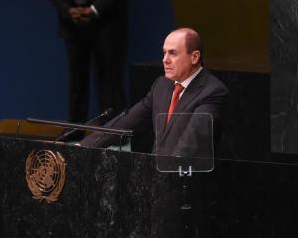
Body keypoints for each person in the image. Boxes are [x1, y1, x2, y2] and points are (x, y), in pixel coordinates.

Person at [80, 28, 228, 160]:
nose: (165, 60)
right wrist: (81, 147)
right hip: (156, 178)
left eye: (173, 53)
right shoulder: (162, 85)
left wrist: (161, 177)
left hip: (186, 180)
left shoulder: (212, 92)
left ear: (194, 57)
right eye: (164, 53)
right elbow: (128, 121)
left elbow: (190, 144)